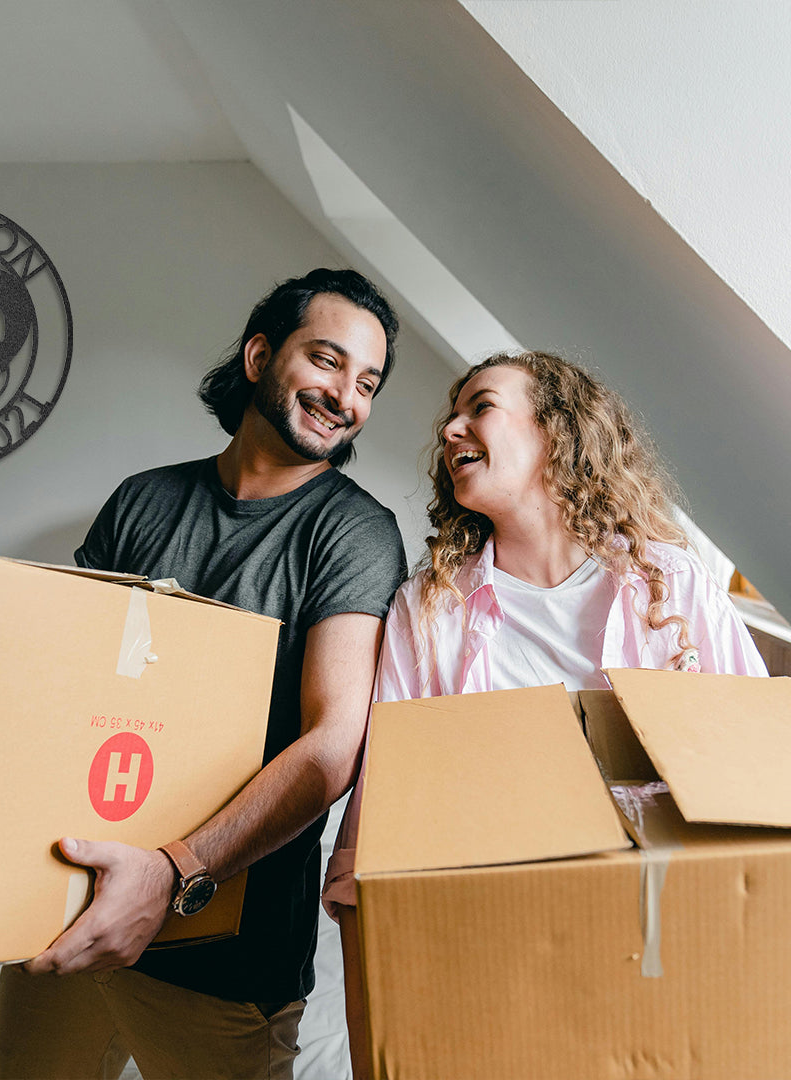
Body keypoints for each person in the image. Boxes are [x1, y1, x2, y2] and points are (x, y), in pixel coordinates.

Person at [0, 268, 409, 1080]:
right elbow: (66, 694)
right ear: (260, 356)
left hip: (227, 956)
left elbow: (333, 747)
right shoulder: (141, 502)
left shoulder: (354, 533)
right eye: (326, 361)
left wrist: (174, 870)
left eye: (367, 382)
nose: (345, 396)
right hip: (70, 909)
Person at [322, 350, 768, 1080]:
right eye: (452, 414)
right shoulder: (431, 611)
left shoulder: (674, 586)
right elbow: (378, 833)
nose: (451, 429)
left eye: (481, 406)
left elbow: (761, 777)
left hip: (667, 950)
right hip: (498, 954)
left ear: (556, 431)